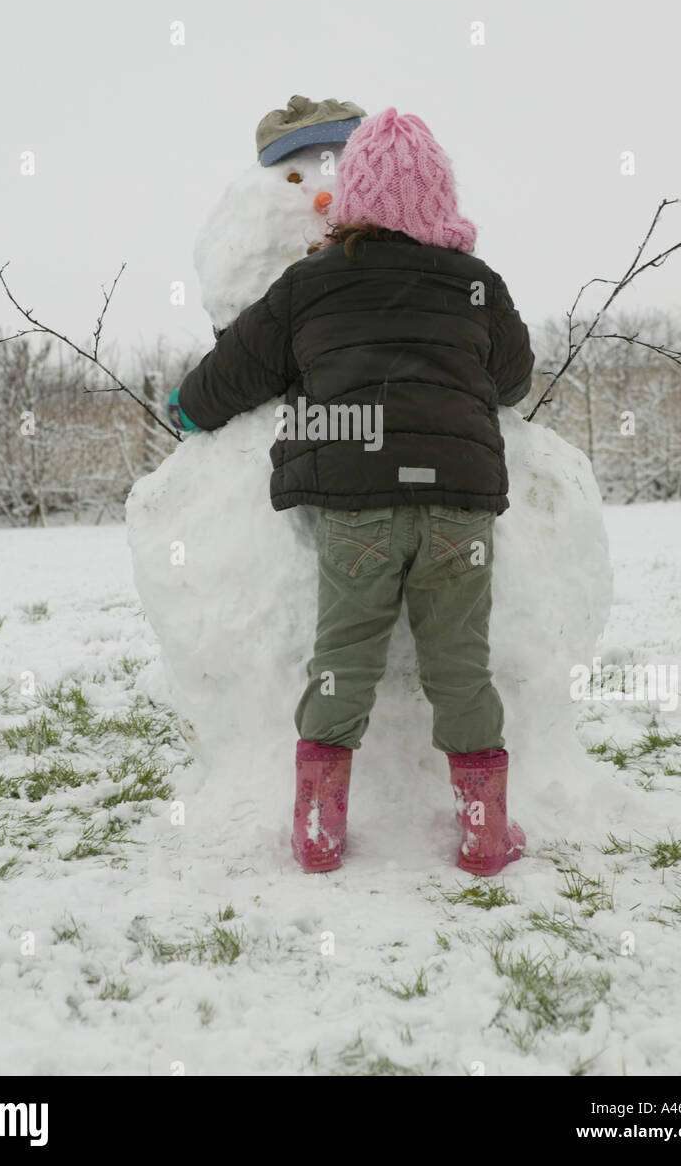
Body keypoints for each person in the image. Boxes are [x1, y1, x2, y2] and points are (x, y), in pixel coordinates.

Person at [169, 106, 534, 876]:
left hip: (356, 503)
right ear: (440, 198)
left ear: (357, 198)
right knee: (460, 666)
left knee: (342, 660)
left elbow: (228, 378)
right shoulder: (477, 286)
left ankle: (317, 829)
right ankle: (483, 832)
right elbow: (512, 380)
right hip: (458, 507)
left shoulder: (310, 285)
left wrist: (186, 410)